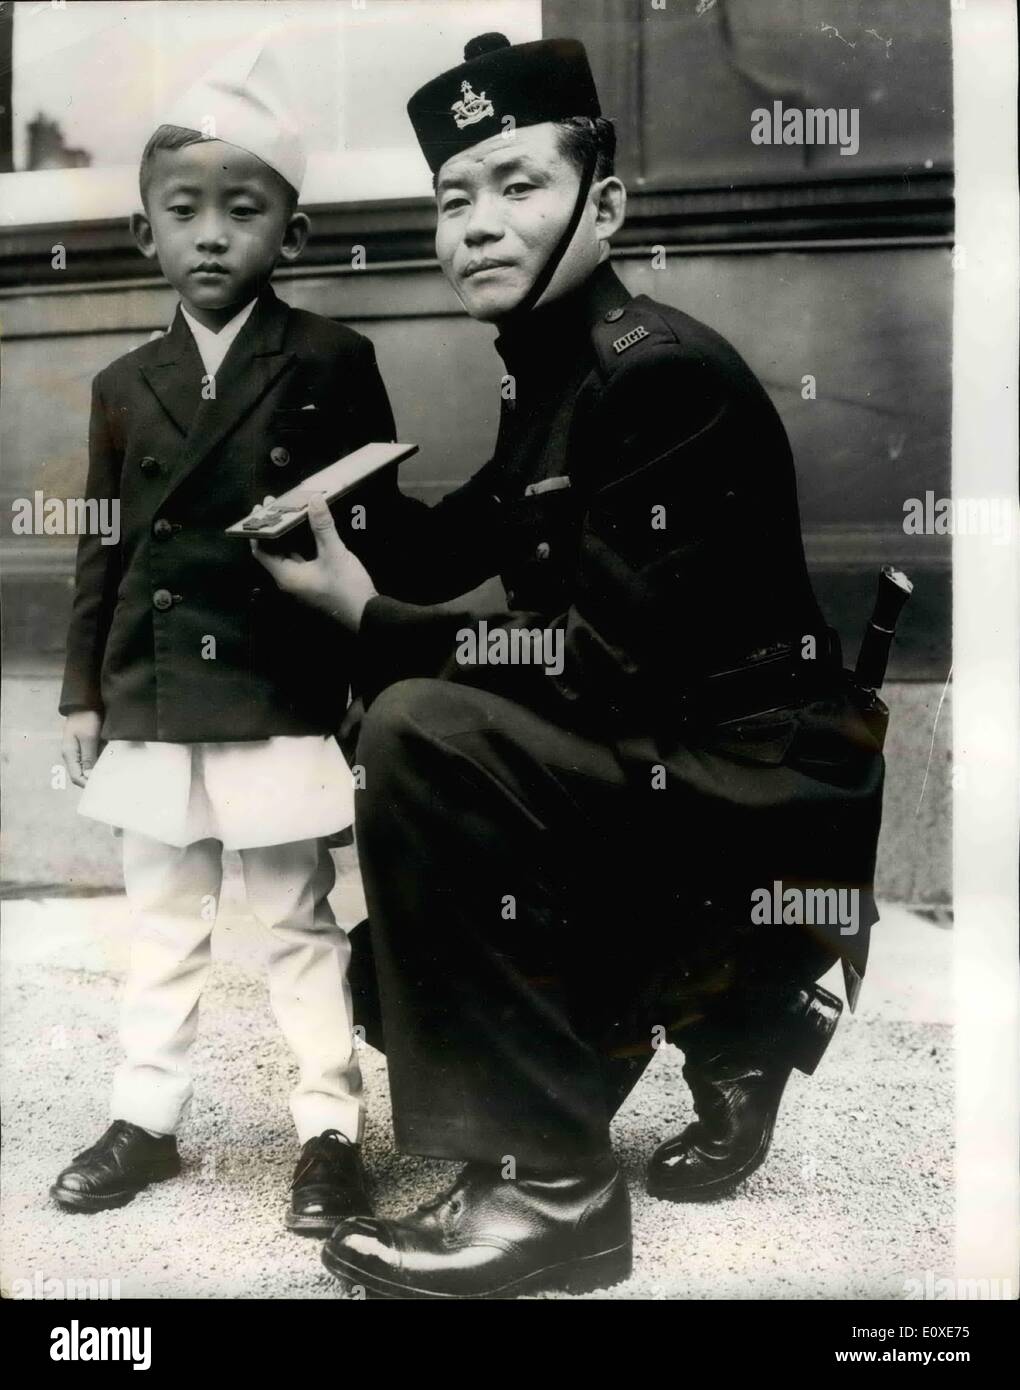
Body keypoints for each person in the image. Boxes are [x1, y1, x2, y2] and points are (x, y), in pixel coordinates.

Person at [255, 33, 885, 1299]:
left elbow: (599, 663)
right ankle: (738, 1018)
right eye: (452, 196)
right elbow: (463, 543)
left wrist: (368, 622)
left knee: (419, 732)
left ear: (602, 204)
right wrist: (343, 496)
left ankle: (561, 1194)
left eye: (516, 185)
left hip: (759, 784)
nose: (478, 224)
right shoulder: (552, 369)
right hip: (690, 761)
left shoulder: (654, 379)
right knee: (400, 943)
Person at [52, 42, 394, 1234]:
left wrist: (367, 687)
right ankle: (146, 1117)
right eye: (182, 211)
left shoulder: (334, 362)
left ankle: (330, 1129)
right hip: (151, 690)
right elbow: (103, 548)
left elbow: (370, 547)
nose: (211, 235)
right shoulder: (120, 381)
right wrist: (80, 695)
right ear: (146, 232)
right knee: (163, 916)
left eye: (242, 211)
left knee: (298, 915)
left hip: (276, 687)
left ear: (290, 233)